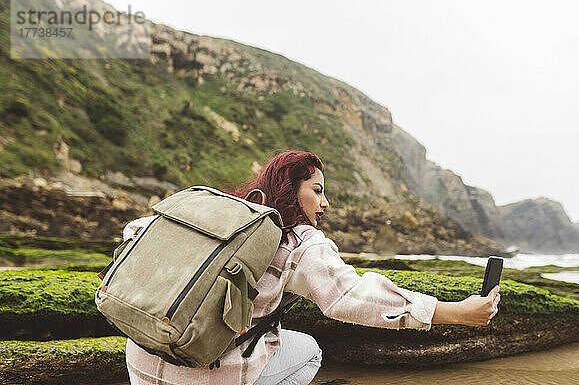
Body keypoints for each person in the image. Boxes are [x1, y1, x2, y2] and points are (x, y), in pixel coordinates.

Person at [124, 150, 501, 385]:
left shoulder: (213, 211)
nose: (326, 202)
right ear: (291, 189)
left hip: (141, 358)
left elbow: (135, 231)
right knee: (309, 350)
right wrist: (455, 312)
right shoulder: (299, 241)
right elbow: (351, 297)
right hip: (208, 375)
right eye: (317, 190)